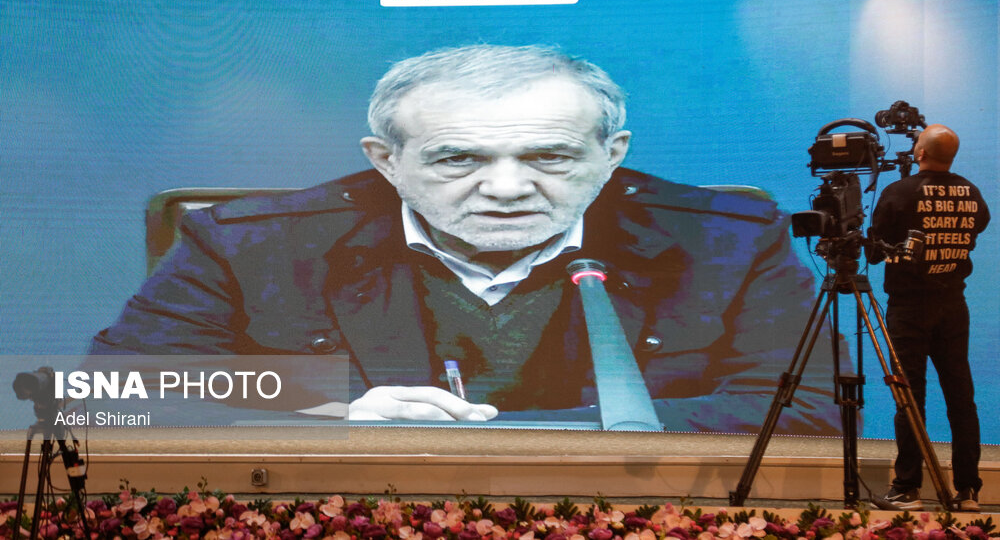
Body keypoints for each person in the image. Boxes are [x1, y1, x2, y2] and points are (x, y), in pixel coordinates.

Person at [90, 44, 842, 433]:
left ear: (611, 155)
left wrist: (504, 433)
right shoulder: (249, 243)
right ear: (386, 160)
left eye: (550, 157)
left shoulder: (727, 240)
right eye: (458, 159)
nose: (507, 188)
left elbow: (810, 411)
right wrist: (334, 414)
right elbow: (110, 397)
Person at [868, 124, 990, 512]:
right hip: (953, 305)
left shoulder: (898, 192)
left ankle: (907, 488)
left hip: (909, 309)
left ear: (920, 153)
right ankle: (968, 490)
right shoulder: (971, 192)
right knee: (961, 397)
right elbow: (978, 227)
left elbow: (873, 251)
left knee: (909, 397)